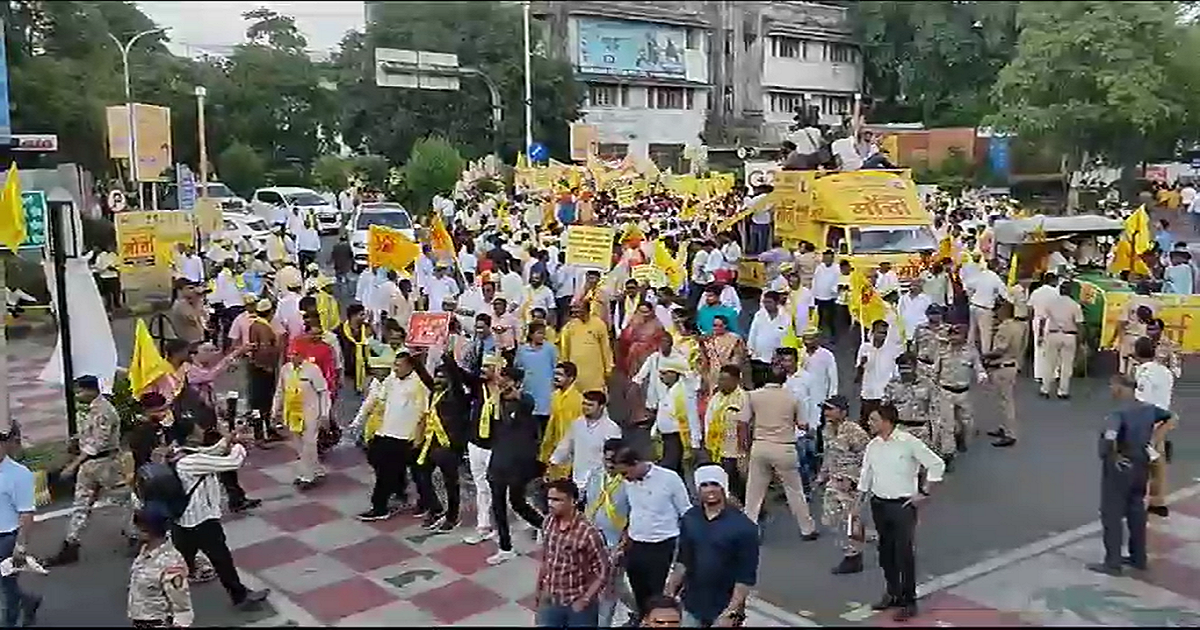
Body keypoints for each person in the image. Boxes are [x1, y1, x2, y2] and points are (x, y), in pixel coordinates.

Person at [169, 415, 270, 612]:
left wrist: (229, 439)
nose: (202, 430)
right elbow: (231, 463)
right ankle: (239, 596)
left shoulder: (179, 453)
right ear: (190, 436)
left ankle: (156, 589)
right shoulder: (191, 462)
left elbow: (210, 452)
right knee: (221, 559)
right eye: (198, 429)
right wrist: (239, 446)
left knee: (180, 560)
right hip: (201, 520)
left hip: (182, 520)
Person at [857, 403, 945, 621]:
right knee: (885, 551)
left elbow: (936, 465)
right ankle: (892, 592)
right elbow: (866, 474)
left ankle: (909, 600)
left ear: (887, 422)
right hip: (879, 503)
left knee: (903, 552)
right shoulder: (873, 445)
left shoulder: (908, 443)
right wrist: (857, 503)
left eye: (874, 420)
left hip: (902, 506)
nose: (869, 423)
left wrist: (924, 492)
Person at [1090, 374, 1173, 575]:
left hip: (1120, 468)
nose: (1111, 390)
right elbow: (1171, 417)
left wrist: (1113, 456)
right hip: (1141, 464)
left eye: (1112, 386)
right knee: (1136, 510)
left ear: (1120, 388)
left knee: (1112, 514)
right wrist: (1156, 438)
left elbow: (1110, 437)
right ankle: (1138, 557)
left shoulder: (1117, 413)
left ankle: (1113, 562)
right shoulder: (1148, 409)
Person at [664, 464, 758, 628]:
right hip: (692, 604)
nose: (709, 490)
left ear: (724, 487)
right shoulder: (690, 518)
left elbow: (745, 576)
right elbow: (683, 560)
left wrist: (731, 612)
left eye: (714, 484)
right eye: (704, 485)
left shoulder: (745, 527)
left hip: (724, 608)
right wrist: (669, 593)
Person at [46, 375, 124, 567]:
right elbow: (90, 436)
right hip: (91, 466)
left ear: (91, 390)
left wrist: (73, 465)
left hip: (105, 464)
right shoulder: (92, 409)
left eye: (80, 391)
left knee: (124, 501)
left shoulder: (105, 411)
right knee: (81, 505)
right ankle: (71, 543)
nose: (78, 395)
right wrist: (75, 441)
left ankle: (139, 532)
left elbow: (98, 444)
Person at [612, 443, 692, 623]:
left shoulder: (669, 479)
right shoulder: (627, 482)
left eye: (626, 473)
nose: (625, 478)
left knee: (658, 597)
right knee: (638, 592)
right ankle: (643, 621)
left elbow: (685, 511)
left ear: (636, 463)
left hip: (662, 545)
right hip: (636, 544)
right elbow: (629, 511)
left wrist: (686, 546)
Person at [742, 368, 820, 541]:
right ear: (784, 379)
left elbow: (744, 422)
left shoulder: (753, 396)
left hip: (760, 445)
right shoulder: (792, 397)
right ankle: (807, 528)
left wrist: (745, 447)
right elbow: (802, 424)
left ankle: (750, 529)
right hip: (784, 447)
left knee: (754, 492)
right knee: (795, 491)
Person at [352, 351, 428, 520]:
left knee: (394, 471)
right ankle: (399, 489)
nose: (395, 369)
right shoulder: (391, 379)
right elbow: (379, 398)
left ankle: (380, 507)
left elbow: (424, 412)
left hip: (405, 435)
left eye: (399, 365)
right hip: (386, 430)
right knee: (375, 458)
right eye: (395, 364)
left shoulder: (419, 384)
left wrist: (418, 436)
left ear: (410, 366)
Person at [486, 366, 546, 566]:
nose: (503, 383)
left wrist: (517, 395)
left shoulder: (524, 402)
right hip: (498, 460)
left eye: (508, 380)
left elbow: (528, 403)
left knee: (517, 502)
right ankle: (505, 547)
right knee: (498, 505)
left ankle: (545, 526)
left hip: (517, 463)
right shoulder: (497, 401)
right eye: (502, 378)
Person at [534, 478, 612, 627]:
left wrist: (586, 599)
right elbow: (546, 559)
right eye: (549, 499)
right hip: (551, 599)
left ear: (573, 501)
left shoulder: (588, 533)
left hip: (577, 603)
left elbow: (603, 570)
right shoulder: (548, 522)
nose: (551, 504)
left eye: (557, 500)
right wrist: (539, 590)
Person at [411, 351, 472, 531]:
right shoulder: (434, 392)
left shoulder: (458, 397)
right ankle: (435, 508)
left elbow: (455, 375)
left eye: (442, 377)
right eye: (436, 376)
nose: (437, 380)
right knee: (421, 474)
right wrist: (416, 360)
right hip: (432, 443)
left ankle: (452, 517)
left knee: (450, 483)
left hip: (450, 446)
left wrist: (447, 357)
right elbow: (425, 378)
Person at [816, 396, 871, 575]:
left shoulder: (855, 432)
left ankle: (853, 556)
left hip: (851, 484)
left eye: (830, 409)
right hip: (834, 480)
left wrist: (854, 480)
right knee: (833, 519)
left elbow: (868, 458)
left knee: (851, 520)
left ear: (843, 412)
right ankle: (851, 549)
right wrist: (821, 476)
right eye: (825, 409)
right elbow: (829, 454)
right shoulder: (828, 430)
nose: (826, 413)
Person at [584, 438, 636, 628]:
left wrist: (623, 543)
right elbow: (587, 505)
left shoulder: (629, 482)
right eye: (607, 460)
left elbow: (635, 516)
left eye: (615, 461)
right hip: (591, 542)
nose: (610, 465)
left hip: (616, 545)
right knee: (610, 587)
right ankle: (639, 611)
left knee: (609, 591)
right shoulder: (595, 476)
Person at [271, 341, 331, 490]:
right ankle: (316, 469)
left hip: (311, 412)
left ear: (303, 355)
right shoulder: (286, 369)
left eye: (296, 354)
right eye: (290, 354)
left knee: (309, 444)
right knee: (298, 444)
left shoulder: (313, 370)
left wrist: (324, 414)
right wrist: (274, 410)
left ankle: (306, 476)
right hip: (292, 412)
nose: (292, 357)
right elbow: (280, 391)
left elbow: (323, 392)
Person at [1130, 337, 1176, 518]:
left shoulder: (1142, 372)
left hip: (1146, 419)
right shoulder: (1166, 372)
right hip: (1163, 418)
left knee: (1140, 461)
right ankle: (1158, 501)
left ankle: (1137, 500)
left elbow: (1141, 398)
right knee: (1159, 462)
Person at [127, 503, 193, 628]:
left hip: (157, 622)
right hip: (141, 619)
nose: (134, 531)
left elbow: (181, 604)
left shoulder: (171, 564)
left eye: (138, 528)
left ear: (149, 531)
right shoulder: (145, 551)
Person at [0, 429, 39, 626]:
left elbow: (26, 513)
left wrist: (21, 545)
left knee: (6, 590)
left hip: (6, 538)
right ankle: (29, 601)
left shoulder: (18, 474)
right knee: (5, 585)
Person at [550, 390, 623, 493]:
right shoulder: (577, 424)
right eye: (584, 404)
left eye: (590, 405)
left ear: (601, 406)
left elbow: (614, 455)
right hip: (577, 478)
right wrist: (554, 461)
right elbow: (565, 446)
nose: (585, 407)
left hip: (600, 482)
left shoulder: (612, 428)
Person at [934, 322, 986, 462]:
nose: (954, 338)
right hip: (946, 392)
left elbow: (978, 367)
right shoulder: (942, 351)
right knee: (947, 425)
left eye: (958, 334)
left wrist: (981, 375)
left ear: (964, 336)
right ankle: (948, 454)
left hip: (964, 393)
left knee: (967, 423)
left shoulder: (971, 351)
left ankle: (961, 437)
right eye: (952, 335)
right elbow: (935, 371)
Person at [704, 365, 750, 503]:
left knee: (736, 479)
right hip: (717, 446)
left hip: (734, 448)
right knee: (725, 479)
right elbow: (709, 418)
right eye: (720, 379)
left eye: (725, 380)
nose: (721, 383)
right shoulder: (716, 397)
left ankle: (752, 506)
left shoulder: (743, 398)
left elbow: (745, 424)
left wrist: (744, 451)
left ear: (736, 380)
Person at [652, 357, 701, 475]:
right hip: (664, 438)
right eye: (660, 374)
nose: (661, 377)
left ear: (675, 373)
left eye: (665, 373)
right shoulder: (666, 389)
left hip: (677, 438)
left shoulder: (685, 392)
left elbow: (692, 416)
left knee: (670, 471)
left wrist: (695, 443)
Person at [983, 302, 1023, 448]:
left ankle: (1010, 433)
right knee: (1002, 401)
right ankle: (1003, 427)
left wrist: (984, 357)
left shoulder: (1004, 328)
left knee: (1006, 402)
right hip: (1011, 364)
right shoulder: (1017, 326)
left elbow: (1000, 349)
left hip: (1002, 367)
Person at [1039, 281, 1084, 399]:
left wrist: (1040, 334)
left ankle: (1045, 388)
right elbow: (1079, 324)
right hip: (1069, 335)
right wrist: (1081, 340)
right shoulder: (1075, 305)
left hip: (1053, 334)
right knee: (1066, 365)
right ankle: (1063, 390)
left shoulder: (1051, 303)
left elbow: (1043, 319)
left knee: (1049, 363)